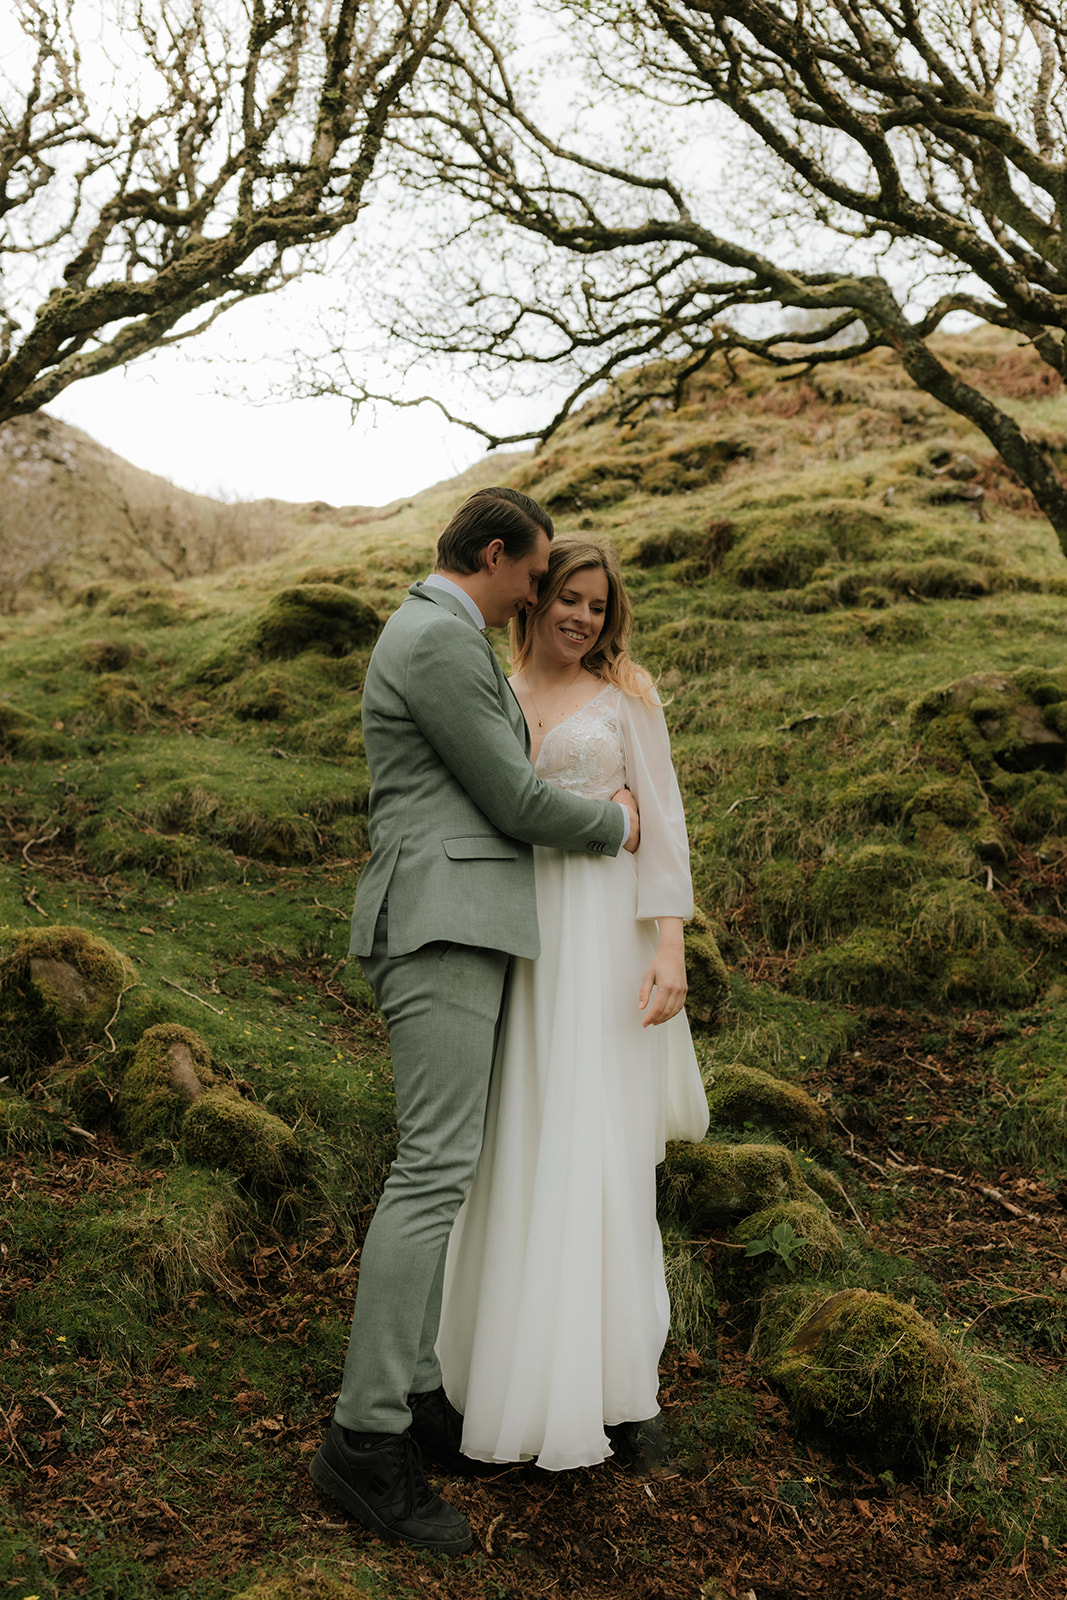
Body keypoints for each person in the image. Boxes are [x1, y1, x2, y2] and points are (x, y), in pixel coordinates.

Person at [310, 489, 640, 1554]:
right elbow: (510, 799)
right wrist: (616, 825)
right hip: (442, 924)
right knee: (430, 1171)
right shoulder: (438, 636)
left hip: (468, 923)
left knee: (444, 1168)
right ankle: (363, 1442)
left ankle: (413, 1396)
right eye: (533, 577)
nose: (538, 597)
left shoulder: (443, 631)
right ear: (493, 557)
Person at [435, 535, 710, 1472]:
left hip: (602, 937)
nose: (583, 617)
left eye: (598, 604)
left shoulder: (628, 693)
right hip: (511, 934)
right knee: (512, 1141)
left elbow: (663, 824)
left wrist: (669, 950)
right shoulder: (492, 689)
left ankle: (623, 1393)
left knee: (599, 1149)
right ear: (532, 595)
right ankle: (494, 1376)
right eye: (568, 598)